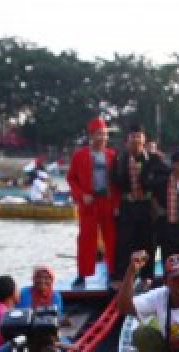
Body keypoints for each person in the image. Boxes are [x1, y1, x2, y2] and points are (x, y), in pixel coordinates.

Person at [111, 122, 166, 282]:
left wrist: (151, 184)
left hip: (146, 205)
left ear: (144, 139)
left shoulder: (154, 158)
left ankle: (146, 276)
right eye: (133, 136)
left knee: (147, 241)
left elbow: (165, 176)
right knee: (124, 241)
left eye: (139, 137)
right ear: (128, 139)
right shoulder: (120, 158)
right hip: (127, 204)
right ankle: (122, 277)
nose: (136, 140)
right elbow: (113, 180)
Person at [67, 117, 118, 288]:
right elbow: (72, 179)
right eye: (99, 134)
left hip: (108, 202)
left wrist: (117, 204)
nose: (102, 137)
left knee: (111, 238)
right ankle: (82, 274)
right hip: (89, 203)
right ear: (91, 135)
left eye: (104, 134)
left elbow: (118, 182)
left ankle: (112, 272)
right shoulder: (80, 155)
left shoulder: (112, 155)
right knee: (86, 238)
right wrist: (81, 195)